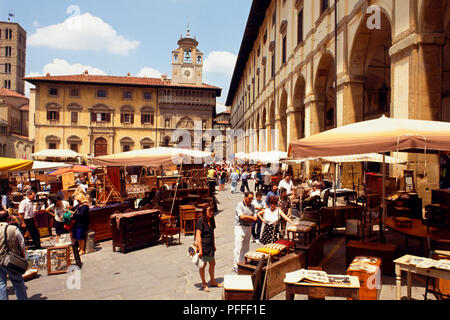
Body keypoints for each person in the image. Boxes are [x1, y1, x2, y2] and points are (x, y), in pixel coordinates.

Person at [0, 210, 28, 300]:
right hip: (11, 260)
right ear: (8, 218)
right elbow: (22, 244)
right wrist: (23, 257)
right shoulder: (13, 229)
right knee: (18, 282)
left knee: (1, 284)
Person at [196, 205, 223, 292]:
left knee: (212, 263)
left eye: (212, 211)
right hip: (203, 246)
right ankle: (204, 283)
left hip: (210, 246)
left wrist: (214, 245)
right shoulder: (201, 221)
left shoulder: (211, 220)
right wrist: (200, 249)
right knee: (203, 265)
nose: (211, 213)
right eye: (209, 211)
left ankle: (212, 281)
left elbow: (212, 233)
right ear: (204, 212)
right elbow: (198, 236)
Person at [233, 192, 259, 273]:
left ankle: (244, 263)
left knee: (246, 247)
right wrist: (250, 218)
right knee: (238, 247)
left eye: (252, 198)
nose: (251, 200)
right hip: (240, 227)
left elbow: (255, 218)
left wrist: (248, 218)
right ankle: (236, 265)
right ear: (245, 197)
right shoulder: (239, 205)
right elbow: (242, 217)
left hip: (248, 227)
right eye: (249, 198)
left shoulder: (252, 206)